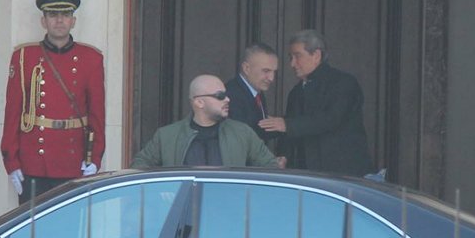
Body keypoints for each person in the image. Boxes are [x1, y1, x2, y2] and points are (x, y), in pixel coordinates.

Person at [1, 0, 106, 204]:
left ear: (73, 21)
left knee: (70, 229)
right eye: (53, 15)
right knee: (32, 232)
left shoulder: (91, 58)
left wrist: (95, 158)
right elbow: (13, 112)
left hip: (73, 160)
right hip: (34, 161)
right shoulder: (24, 57)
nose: (59, 20)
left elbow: (97, 114)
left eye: (65, 15)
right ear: (43, 21)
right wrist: (11, 161)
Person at [259, 29, 375, 177]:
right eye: (291, 57)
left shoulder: (343, 83)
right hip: (308, 176)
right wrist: (284, 155)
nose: (292, 64)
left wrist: (287, 124)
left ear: (316, 55)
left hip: (343, 173)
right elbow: (289, 132)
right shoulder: (296, 92)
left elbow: (331, 118)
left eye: (297, 56)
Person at [132, 74, 280, 169]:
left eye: (226, 95)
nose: (227, 99)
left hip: (229, 213)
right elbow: (138, 167)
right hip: (185, 214)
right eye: (220, 96)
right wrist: (163, 188)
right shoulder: (166, 136)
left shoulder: (242, 133)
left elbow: (270, 167)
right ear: (199, 102)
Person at [226, 43, 278, 142]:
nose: (271, 78)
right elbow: (241, 139)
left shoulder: (256, 91)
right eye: (266, 71)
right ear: (246, 68)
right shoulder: (231, 95)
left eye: (274, 72)